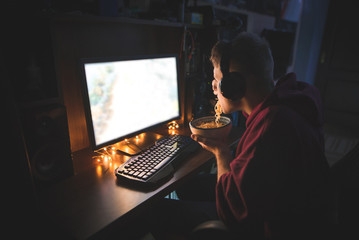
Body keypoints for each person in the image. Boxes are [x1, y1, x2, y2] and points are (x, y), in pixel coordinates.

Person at [149, 32, 330, 240]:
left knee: (156, 212)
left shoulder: (271, 126)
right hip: (282, 208)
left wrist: (221, 152)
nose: (214, 88)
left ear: (233, 85)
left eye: (218, 80)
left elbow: (233, 213)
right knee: (187, 185)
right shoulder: (288, 102)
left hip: (266, 227)